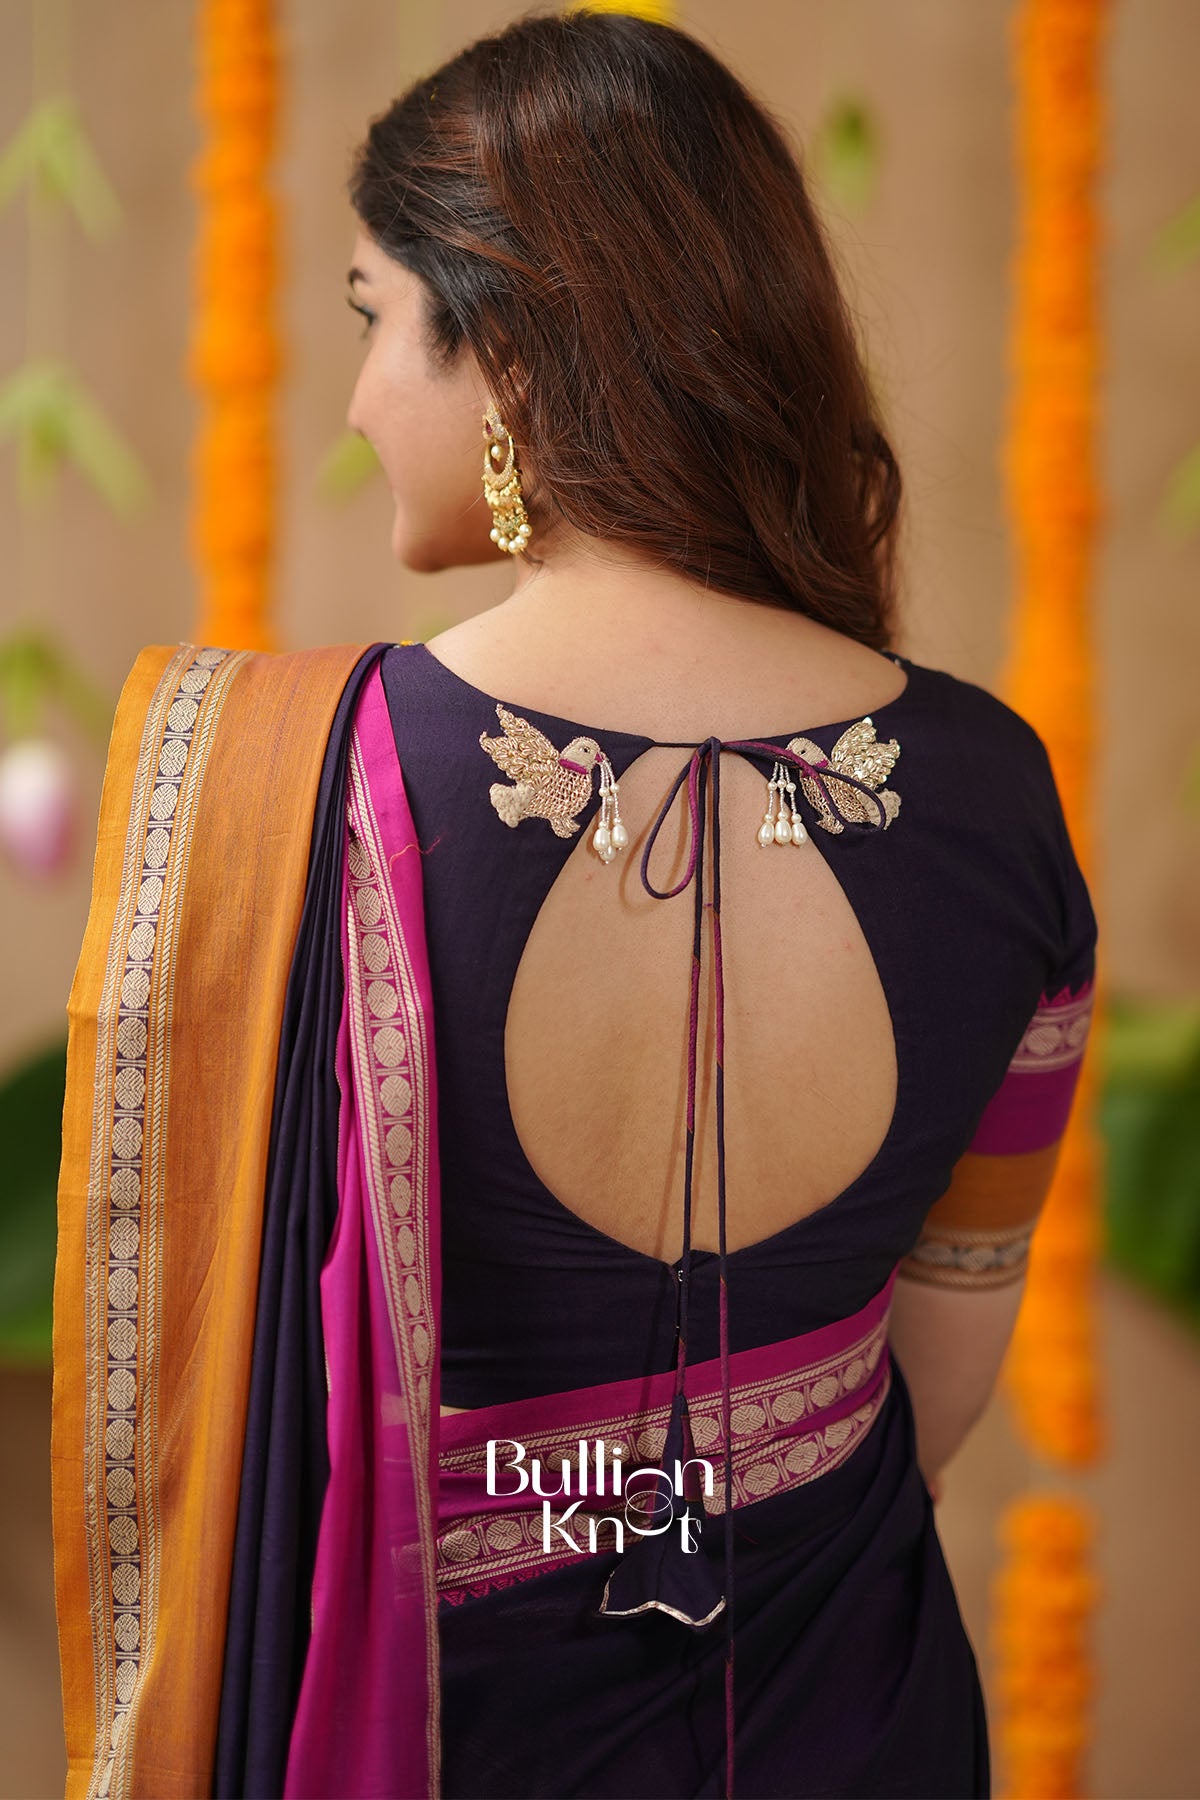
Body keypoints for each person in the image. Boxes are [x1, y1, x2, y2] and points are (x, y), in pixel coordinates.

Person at [50, 12, 1098, 1800]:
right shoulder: (994, 788)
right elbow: (941, 1375)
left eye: (377, 319)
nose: (358, 398)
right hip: (855, 1721)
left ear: (511, 357)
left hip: (439, 1733)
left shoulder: (298, 776)